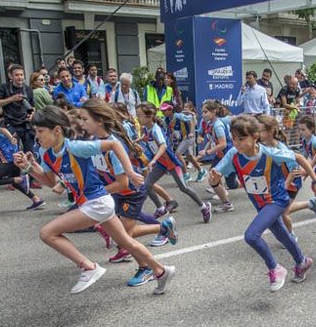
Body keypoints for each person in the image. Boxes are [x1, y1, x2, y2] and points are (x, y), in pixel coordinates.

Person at [14, 106, 176, 294]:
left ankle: (89, 267)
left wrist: (130, 171)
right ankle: (162, 271)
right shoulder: (46, 154)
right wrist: (28, 167)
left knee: (47, 233)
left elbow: (114, 145)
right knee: (127, 241)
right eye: (35, 131)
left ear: (57, 130)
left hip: (97, 202)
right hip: (94, 204)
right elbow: (50, 182)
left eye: (40, 131)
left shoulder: (75, 147)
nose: (36, 136)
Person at [207, 115, 316, 291]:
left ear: (255, 137)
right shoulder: (234, 154)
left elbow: (298, 158)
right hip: (260, 204)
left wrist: (315, 180)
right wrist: (213, 180)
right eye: (233, 138)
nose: (237, 143)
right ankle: (302, 262)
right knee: (282, 234)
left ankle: (275, 268)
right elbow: (216, 175)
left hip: (277, 200)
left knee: (251, 235)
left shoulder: (269, 153)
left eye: (242, 139)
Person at [76, 103, 178, 283]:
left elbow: (122, 183)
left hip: (130, 192)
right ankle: (162, 228)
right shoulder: (94, 142)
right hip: (115, 193)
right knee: (122, 236)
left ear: (99, 121)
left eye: (85, 119)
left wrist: (96, 193)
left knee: (124, 237)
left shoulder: (114, 146)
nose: (81, 123)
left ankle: (146, 268)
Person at [134, 104, 211, 222]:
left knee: (184, 188)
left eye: (139, 115)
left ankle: (204, 207)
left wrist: (153, 160)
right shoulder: (146, 129)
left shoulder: (156, 130)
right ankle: (160, 208)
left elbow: (163, 146)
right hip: (161, 163)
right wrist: (134, 142)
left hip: (171, 163)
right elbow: (145, 137)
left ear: (149, 116)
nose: (137, 117)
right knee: (147, 185)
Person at [0, 64, 35, 153]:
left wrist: (31, 115)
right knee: (13, 153)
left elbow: (33, 107)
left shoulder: (28, 89)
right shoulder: (4, 88)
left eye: (21, 75)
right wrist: (12, 99)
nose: (20, 77)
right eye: (16, 75)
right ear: (10, 76)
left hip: (26, 125)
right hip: (11, 124)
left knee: (29, 152)